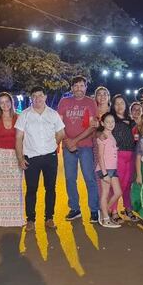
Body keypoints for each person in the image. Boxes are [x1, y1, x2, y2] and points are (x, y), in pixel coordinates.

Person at [16, 87, 65, 230]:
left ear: (45, 97)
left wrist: (53, 145)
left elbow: (61, 133)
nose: (37, 98)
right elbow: (18, 138)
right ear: (31, 98)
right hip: (31, 158)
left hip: (50, 157)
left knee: (50, 188)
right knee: (31, 189)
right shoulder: (24, 115)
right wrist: (20, 158)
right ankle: (30, 219)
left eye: (40, 95)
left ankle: (49, 218)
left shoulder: (53, 114)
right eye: (34, 96)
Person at [57, 76, 99, 222]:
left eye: (81, 86)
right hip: (68, 146)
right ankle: (75, 208)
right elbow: (59, 124)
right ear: (71, 88)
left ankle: (94, 210)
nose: (79, 88)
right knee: (70, 178)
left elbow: (92, 126)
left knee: (89, 178)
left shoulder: (90, 102)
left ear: (86, 87)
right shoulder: (64, 102)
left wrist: (74, 140)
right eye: (76, 86)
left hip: (85, 146)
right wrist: (66, 140)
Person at [0, 92, 25, 227]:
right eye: (2, 102)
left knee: (15, 188)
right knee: (0, 188)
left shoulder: (19, 118)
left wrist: (22, 157)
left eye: (7, 101)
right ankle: (0, 220)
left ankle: (16, 219)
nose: (5, 104)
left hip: (16, 156)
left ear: (11, 102)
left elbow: (23, 139)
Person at [109, 94, 137, 222]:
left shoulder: (132, 121)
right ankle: (114, 210)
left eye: (122, 103)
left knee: (128, 184)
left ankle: (128, 208)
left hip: (131, 155)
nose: (119, 106)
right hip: (118, 156)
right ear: (113, 106)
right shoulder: (111, 120)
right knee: (118, 185)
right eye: (116, 103)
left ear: (126, 105)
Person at [95, 113, 122, 228]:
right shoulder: (103, 136)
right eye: (108, 122)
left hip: (113, 169)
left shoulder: (111, 136)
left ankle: (104, 211)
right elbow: (100, 156)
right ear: (102, 123)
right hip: (104, 169)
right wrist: (104, 173)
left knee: (118, 192)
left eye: (112, 122)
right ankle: (106, 219)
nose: (111, 124)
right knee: (105, 194)